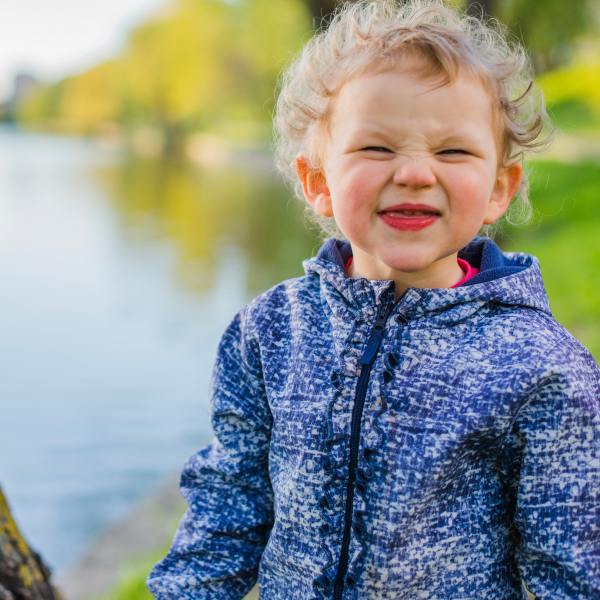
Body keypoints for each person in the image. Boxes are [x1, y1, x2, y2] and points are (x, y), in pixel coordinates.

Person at [147, 1, 600, 598]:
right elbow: (226, 510)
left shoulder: (543, 368)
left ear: (498, 189)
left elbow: (570, 572)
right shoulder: (269, 331)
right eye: (377, 149)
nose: (414, 173)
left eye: (453, 151)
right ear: (318, 183)